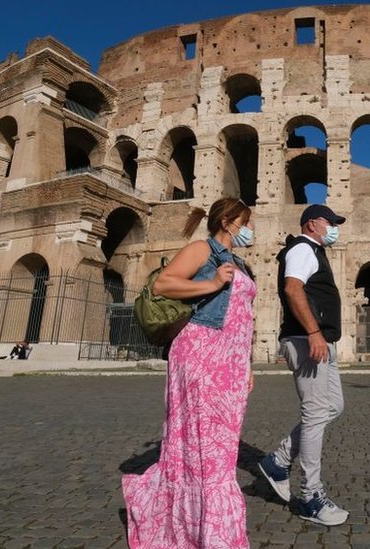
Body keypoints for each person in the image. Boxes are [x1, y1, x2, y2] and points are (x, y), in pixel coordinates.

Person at [122, 197, 257, 548]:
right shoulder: (203, 249)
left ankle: (201, 522)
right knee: (204, 443)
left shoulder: (239, 262)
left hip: (230, 362)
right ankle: (211, 532)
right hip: (200, 354)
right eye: (244, 222)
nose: (248, 230)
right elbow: (163, 285)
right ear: (227, 222)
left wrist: (247, 364)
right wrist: (211, 284)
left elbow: (243, 319)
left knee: (223, 446)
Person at [258, 204, 349, 527]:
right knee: (314, 413)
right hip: (306, 340)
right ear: (312, 224)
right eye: (331, 222)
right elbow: (293, 289)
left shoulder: (314, 251)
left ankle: (277, 461)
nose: (335, 227)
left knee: (333, 406)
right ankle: (311, 497)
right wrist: (312, 332)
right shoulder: (302, 249)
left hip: (320, 342)